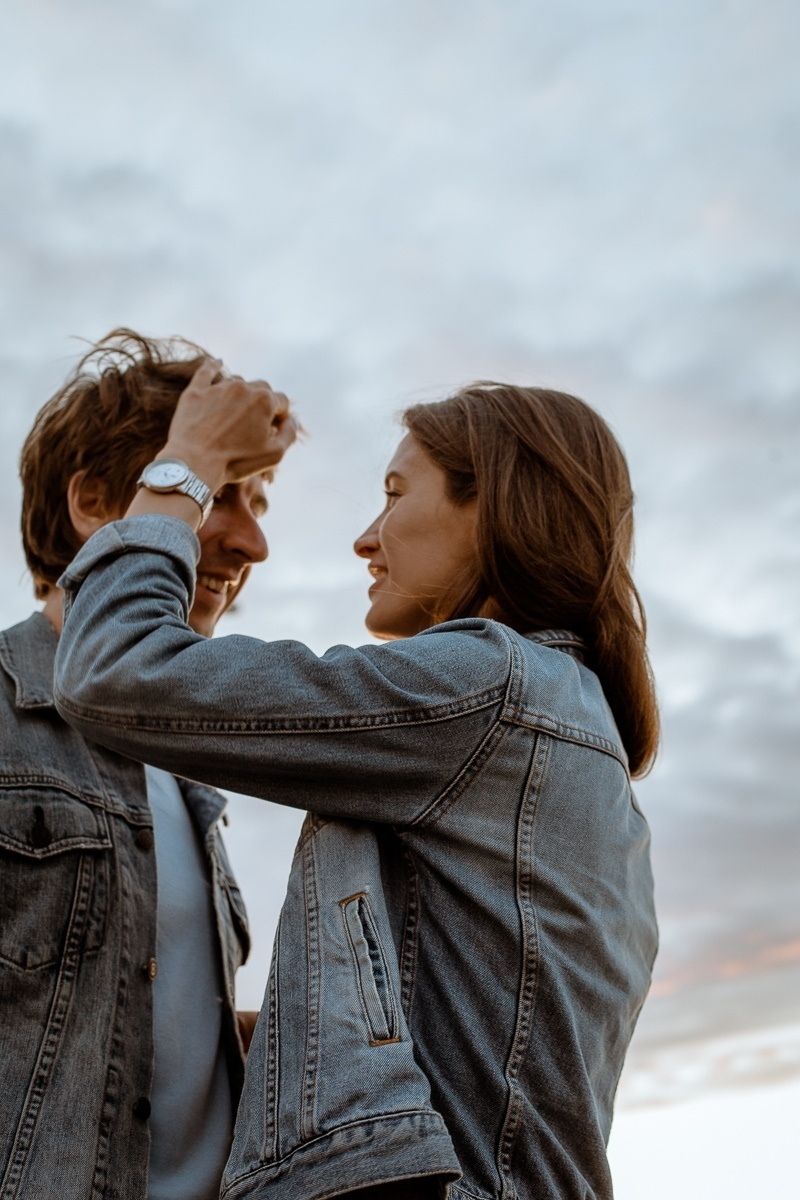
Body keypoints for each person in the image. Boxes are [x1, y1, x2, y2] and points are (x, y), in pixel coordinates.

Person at [54, 365, 659, 1200]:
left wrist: (186, 460)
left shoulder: (485, 689)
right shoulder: (572, 731)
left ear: (491, 506)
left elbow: (116, 670)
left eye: (395, 492)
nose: (366, 538)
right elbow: (469, 1048)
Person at [0, 331, 294, 1200]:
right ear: (96, 500)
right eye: (217, 489)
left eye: (261, 504)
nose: (250, 544)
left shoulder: (186, 770)